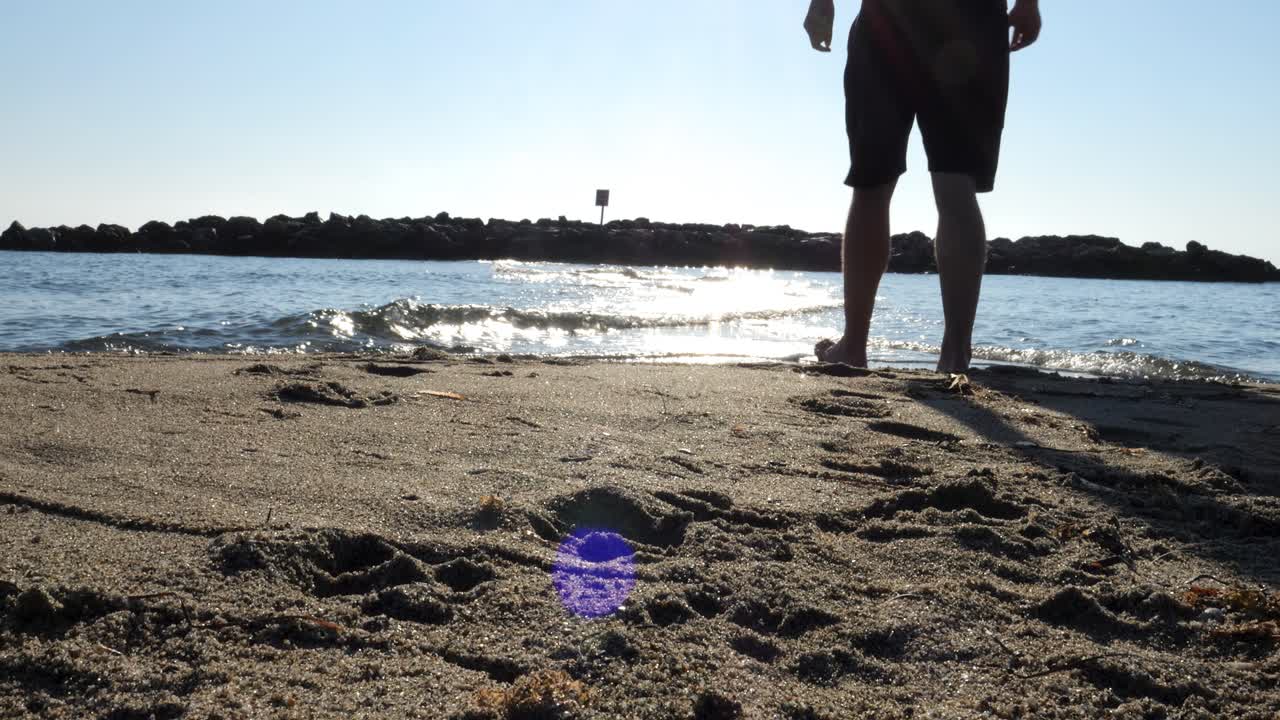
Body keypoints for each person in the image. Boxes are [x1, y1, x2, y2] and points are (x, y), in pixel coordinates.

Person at [804, 0, 1041, 372]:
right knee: (952, 182)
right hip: (968, 21)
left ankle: (854, 346)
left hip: (892, 19)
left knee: (874, 183)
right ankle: (955, 354)